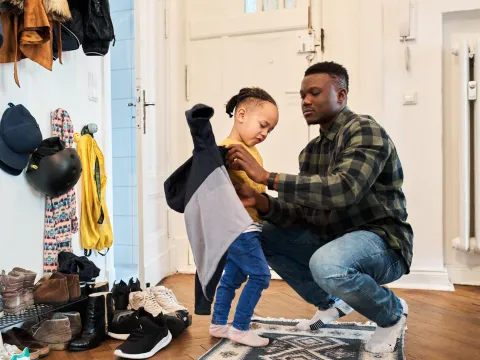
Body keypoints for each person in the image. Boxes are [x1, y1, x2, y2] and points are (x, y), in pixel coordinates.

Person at [226, 61, 413, 354]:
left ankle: (391, 314)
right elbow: (304, 212)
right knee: (262, 235)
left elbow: (344, 189)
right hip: (333, 239)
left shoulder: (365, 130)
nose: (306, 101)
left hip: (382, 242)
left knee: (328, 264)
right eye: (302, 95)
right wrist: (260, 201)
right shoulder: (311, 152)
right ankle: (331, 304)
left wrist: (267, 178)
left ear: (341, 95)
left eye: (314, 93)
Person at [209, 87, 279, 347]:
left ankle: (218, 323)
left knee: (233, 277)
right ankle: (239, 328)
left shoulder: (244, 149)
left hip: (246, 226)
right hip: (239, 227)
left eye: (270, 130)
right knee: (261, 276)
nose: (265, 134)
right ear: (241, 114)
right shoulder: (228, 151)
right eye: (263, 125)